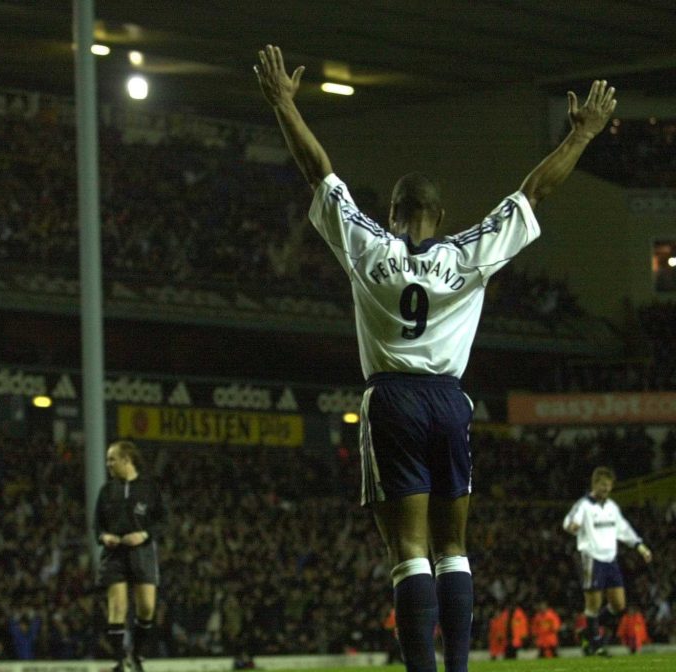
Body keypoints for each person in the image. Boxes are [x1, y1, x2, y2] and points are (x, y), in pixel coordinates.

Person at [254, 42, 618, 672]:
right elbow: (536, 191)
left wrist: (285, 103)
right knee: (454, 549)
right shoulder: (467, 253)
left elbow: (319, 172)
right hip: (450, 402)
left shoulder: (368, 246)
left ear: (393, 213)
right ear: (440, 215)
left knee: (409, 551)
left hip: (391, 400)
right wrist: (581, 134)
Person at [563, 466, 653, 656]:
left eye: (609, 485)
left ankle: (587, 631)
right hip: (592, 558)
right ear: (594, 484)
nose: (606, 489)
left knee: (619, 604)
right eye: (602, 485)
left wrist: (640, 547)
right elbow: (570, 521)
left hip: (610, 559)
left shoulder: (612, 507)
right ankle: (595, 645)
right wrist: (573, 526)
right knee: (594, 605)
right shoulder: (584, 505)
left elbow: (624, 529)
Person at [94, 440, 167, 672]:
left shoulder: (149, 488)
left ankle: (136, 655)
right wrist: (104, 537)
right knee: (117, 608)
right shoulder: (107, 491)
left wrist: (144, 535)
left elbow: (163, 521)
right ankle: (118, 661)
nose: (108, 464)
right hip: (114, 555)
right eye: (107, 460)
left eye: (112, 459)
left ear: (127, 460)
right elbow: (97, 526)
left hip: (142, 551)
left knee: (146, 607)